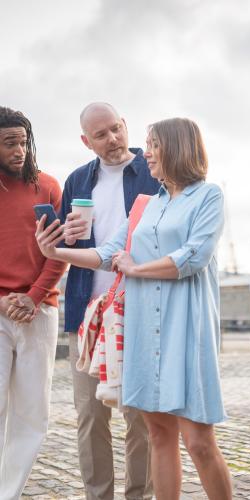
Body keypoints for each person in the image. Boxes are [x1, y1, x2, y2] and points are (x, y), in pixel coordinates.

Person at [36, 117, 233, 500]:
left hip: (186, 329)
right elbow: (108, 253)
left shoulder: (208, 196)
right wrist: (53, 251)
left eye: (154, 145)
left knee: (198, 442)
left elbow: (193, 256)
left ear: (176, 148)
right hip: (145, 331)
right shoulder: (146, 204)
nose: (148, 154)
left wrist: (137, 268)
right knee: (159, 435)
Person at [59, 102, 160, 500]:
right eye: (101, 135)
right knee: (90, 417)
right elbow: (67, 244)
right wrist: (66, 234)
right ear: (87, 141)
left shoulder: (155, 172)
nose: (113, 139)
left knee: (141, 418)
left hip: (139, 309)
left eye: (116, 128)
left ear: (126, 125)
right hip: (87, 311)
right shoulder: (77, 182)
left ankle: (139, 495)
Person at [0, 106, 67, 499]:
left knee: (31, 413)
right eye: (9, 143)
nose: (19, 150)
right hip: (0, 309)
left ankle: (8, 493)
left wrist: (34, 296)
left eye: (23, 142)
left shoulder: (49, 187)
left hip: (39, 311)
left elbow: (59, 252)